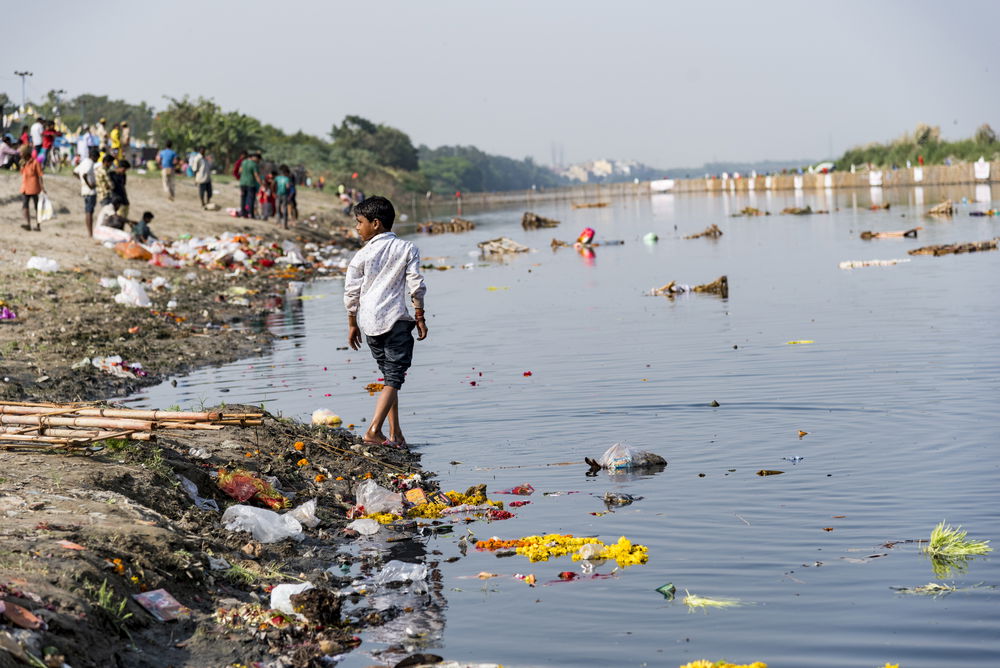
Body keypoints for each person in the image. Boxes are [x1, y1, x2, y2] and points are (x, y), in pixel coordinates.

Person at [344, 196, 428, 447]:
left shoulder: (361, 255)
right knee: (393, 378)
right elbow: (416, 285)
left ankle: (396, 434)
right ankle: (373, 430)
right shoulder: (407, 249)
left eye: (359, 222)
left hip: (369, 322)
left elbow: (351, 292)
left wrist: (352, 322)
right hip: (395, 321)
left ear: (376, 223)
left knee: (390, 378)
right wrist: (420, 316)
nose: (357, 227)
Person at [73, 147, 99, 237]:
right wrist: (89, 185)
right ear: (94, 157)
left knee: (88, 211)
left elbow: (75, 172)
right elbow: (84, 175)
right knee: (89, 212)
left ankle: (90, 232)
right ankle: (90, 233)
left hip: (84, 191)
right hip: (90, 191)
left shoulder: (84, 162)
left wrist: (82, 181)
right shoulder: (90, 163)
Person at [19, 145, 45, 231]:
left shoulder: (35, 162)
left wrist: (42, 187)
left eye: (21, 152)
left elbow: (40, 175)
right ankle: (28, 224)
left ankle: (38, 225)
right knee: (25, 206)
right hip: (25, 188)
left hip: (34, 188)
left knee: (37, 207)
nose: (20, 154)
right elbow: (22, 173)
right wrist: (22, 166)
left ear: (26, 153)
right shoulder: (23, 162)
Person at [238, 151, 262, 218]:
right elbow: (256, 175)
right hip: (251, 184)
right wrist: (261, 184)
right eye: (258, 159)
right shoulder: (254, 164)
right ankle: (251, 214)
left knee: (243, 198)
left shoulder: (244, 162)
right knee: (251, 199)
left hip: (242, 183)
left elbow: (240, 171)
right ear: (254, 157)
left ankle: (243, 213)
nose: (258, 161)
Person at [275, 164, 291, 229]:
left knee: (278, 208)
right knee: (284, 209)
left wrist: (274, 191)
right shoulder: (287, 179)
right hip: (284, 195)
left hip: (278, 194)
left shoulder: (277, 178)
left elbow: (273, 184)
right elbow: (288, 187)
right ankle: (284, 224)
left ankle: (278, 223)